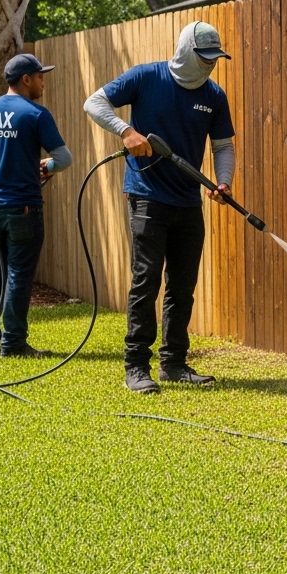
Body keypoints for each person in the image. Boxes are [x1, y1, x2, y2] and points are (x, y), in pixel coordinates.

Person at [83, 21, 236, 394]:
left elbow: (222, 146)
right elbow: (94, 102)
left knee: (182, 287)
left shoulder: (214, 96)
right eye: (204, 58)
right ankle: (136, 366)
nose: (210, 65)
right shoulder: (146, 78)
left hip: (188, 201)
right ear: (186, 51)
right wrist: (125, 131)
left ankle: (174, 363)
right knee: (146, 282)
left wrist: (223, 180)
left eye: (215, 59)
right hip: (147, 196)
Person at [0, 53, 73, 357]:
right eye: (40, 76)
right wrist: (47, 165)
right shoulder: (36, 114)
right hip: (23, 207)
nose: (43, 82)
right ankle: (13, 343)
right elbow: (65, 159)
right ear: (26, 79)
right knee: (18, 274)